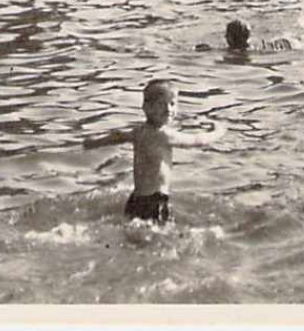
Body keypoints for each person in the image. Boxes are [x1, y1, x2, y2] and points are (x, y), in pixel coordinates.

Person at [81, 79, 221, 225]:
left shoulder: (138, 132)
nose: (168, 109)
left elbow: (117, 136)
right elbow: (197, 140)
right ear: (146, 108)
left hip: (135, 199)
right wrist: (218, 132)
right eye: (161, 104)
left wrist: (94, 142)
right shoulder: (165, 135)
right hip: (155, 201)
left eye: (172, 104)